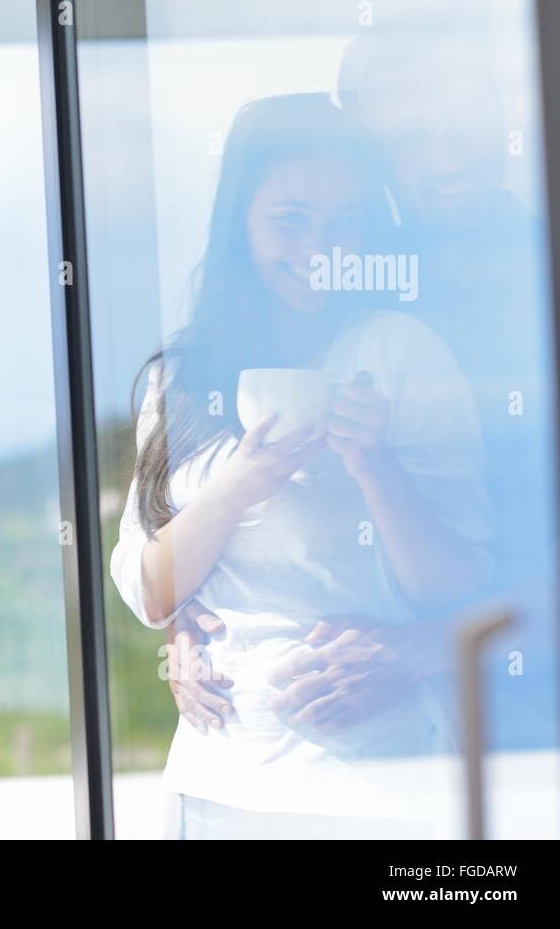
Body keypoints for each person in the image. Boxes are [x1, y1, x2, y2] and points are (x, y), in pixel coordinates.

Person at [110, 94, 493, 837]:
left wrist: (376, 466)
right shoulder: (182, 376)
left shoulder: (399, 349)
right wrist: (239, 485)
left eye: (344, 223)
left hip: (377, 785)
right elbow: (152, 590)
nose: (320, 248)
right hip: (217, 778)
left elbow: (456, 584)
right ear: (240, 223)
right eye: (290, 220)